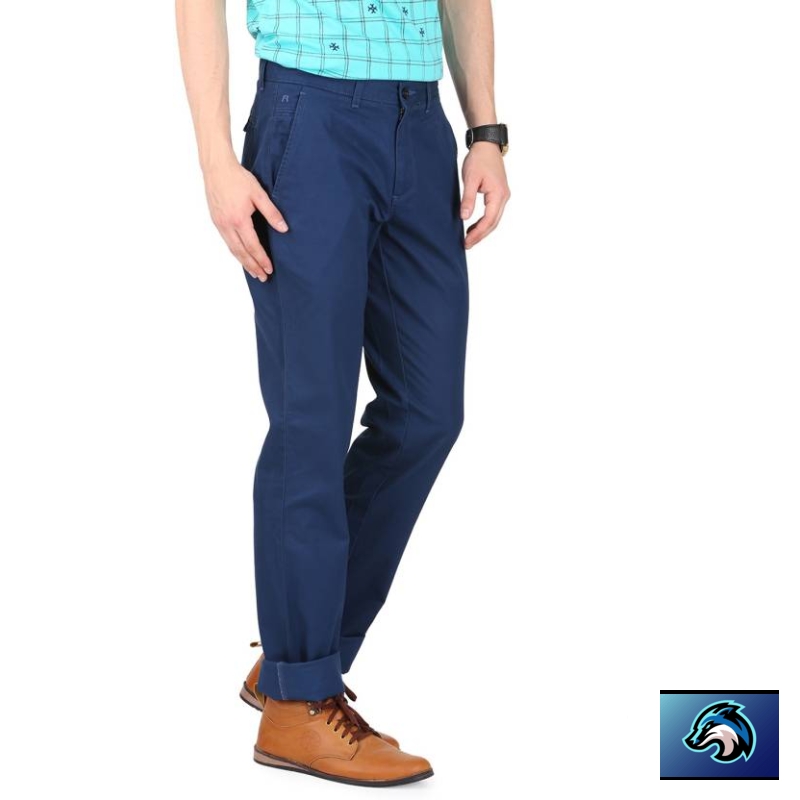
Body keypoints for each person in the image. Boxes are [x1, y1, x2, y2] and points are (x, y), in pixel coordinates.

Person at [177, 0, 510, 786]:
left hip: (419, 124)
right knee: (311, 420)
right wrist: (216, 161)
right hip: (310, 117)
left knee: (427, 412)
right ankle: (300, 700)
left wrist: (486, 131)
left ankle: (295, 657)